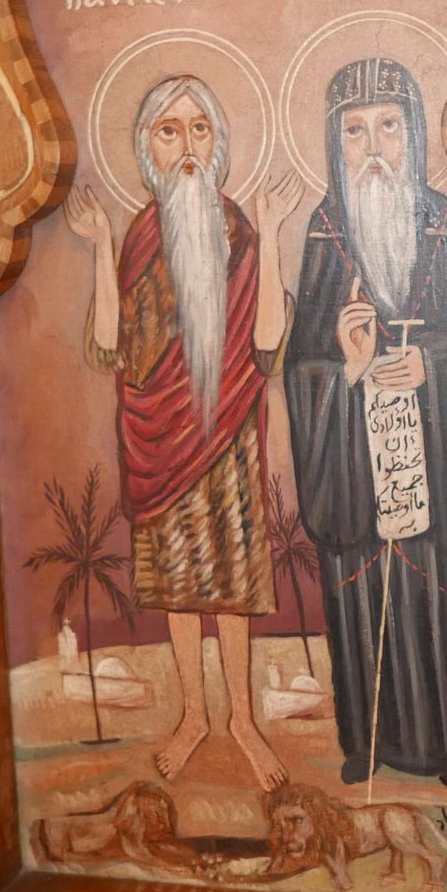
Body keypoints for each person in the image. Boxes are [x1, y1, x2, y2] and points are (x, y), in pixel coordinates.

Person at [65, 75, 302, 791]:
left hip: (227, 436)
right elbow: (109, 349)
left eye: (200, 128)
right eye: (170, 130)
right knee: (177, 586)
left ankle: (243, 721)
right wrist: (100, 247)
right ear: (148, 148)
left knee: (229, 588)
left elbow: (268, 347)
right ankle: (194, 715)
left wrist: (273, 233)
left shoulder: (240, 231)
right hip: (158, 442)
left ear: (218, 143)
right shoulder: (141, 235)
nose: (187, 145)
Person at [285, 57, 447, 799]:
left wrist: (430, 364)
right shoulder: (325, 229)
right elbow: (301, 361)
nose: (373, 148)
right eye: (355, 131)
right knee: (358, 595)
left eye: (388, 127)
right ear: (334, 140)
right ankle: (366, 741)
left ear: (413, 133)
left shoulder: (441, 219)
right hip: (353, 459)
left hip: (427, 451)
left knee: (433, 593)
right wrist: (345, 367)